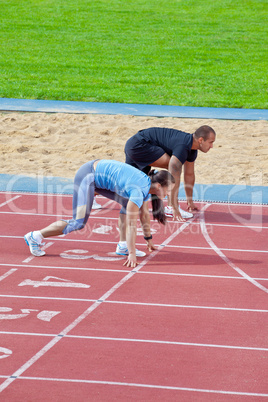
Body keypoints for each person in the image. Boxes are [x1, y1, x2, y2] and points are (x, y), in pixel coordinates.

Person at [24, 159, 175, 268]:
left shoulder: (146, 188)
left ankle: (122, 246)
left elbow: (144, 215)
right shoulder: (138, 190)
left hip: (99, 176)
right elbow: (131, 224)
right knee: (78, 223)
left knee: (125, 203)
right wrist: (132, 253)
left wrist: (148, 239)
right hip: (88, 175)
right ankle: (35, 236)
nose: (169, 194)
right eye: (168, 190)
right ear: (159, 186)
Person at [124, 125, 216, 221]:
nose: (212, 146)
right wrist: (175, 208)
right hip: (138, 145)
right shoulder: (183, 147)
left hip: (135, 145)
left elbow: (189, 175)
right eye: (211, 142)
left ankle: (110, 189)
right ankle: (170, 206)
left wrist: (190, 200)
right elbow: (173, 174)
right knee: (175, 167)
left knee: (128, 183)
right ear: (201, 140)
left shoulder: (192, 150)